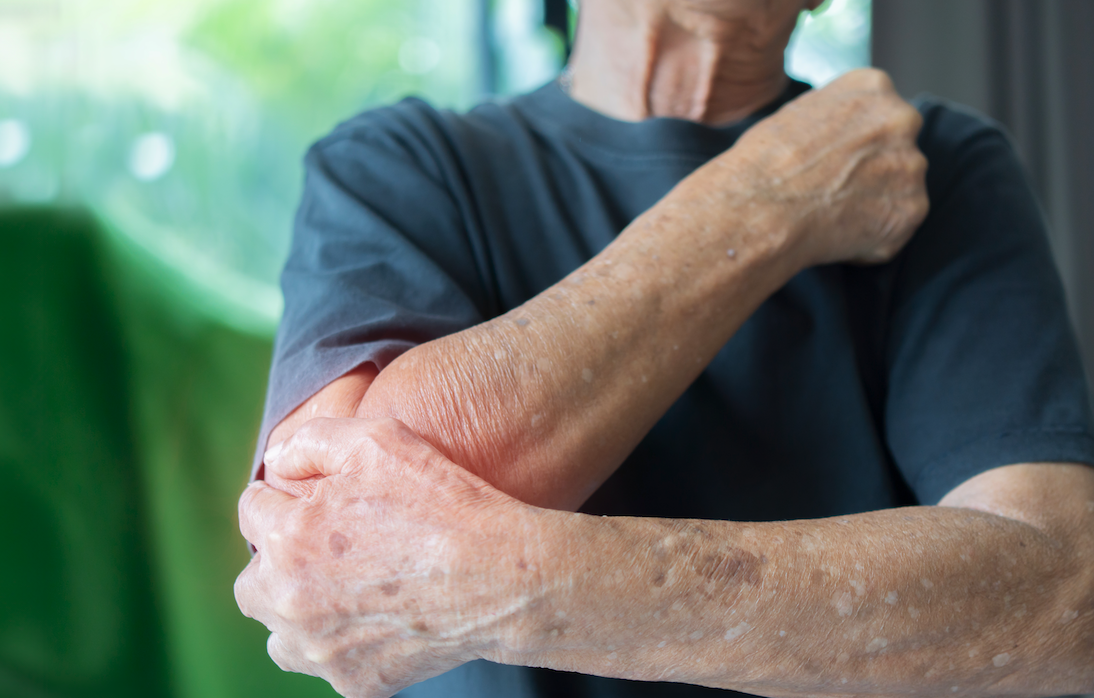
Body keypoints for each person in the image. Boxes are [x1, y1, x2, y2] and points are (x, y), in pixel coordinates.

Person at [234, 0, 1094, 696]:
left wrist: (516, 584)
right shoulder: (396, 164)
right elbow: (337, 521)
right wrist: (766, 199)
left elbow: (1064, 595)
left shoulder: (933, 167)